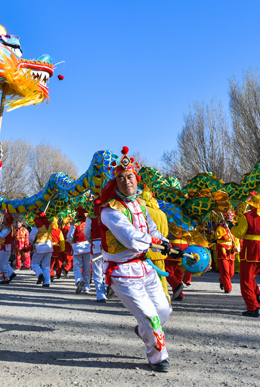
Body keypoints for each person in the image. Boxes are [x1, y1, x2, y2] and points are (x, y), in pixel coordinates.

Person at [99, 146, 178, 372]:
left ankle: (143, 330)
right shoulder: (110, 211)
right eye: (121, 178)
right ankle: (158, 358)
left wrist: (165, 241)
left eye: (130, 176)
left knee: (164, 311)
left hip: (145, 266)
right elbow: (131, 240)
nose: (127, 181)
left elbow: (152, 229)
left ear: (136, 179)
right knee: (150, 316)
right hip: (123, 271)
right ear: (115, 183)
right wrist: (156, 242)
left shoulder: (141, 204)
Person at [231, 192, 260, 317]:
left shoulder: (247, 216)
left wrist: (232, 226)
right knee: (250, 277)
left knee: (245, 280)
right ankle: (257, 295)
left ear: (253, 205)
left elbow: (239, 233)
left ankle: (253, 308)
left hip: (250, 252)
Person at [84, 200, 107, 302]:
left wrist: (91, 240)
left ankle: (101, 294)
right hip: (108, 244)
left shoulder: (90, 216)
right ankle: (109, 286)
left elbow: (86, 232)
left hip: (96, 244)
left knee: (97, 270)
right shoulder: (109, 212)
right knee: (107, 267)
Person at [68, 207, 92, 294]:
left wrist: (72, 242)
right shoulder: (89, 221)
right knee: (87, 267)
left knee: (77, 266)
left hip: (77, 247)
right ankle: (86, 286)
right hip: (88, 246)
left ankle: (79, 280)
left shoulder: (75, 223)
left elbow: (69, 236)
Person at [29, 211, 56, 287]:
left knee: (34, 264)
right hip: (49, 246)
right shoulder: (49, 223)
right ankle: (47, 282)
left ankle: (40, 274)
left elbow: (31, 237)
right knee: (46, 265)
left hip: (40, 246)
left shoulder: (37, 224)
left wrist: (31, 242)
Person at [214, 221, 238, 294]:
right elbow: (218, 236)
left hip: (231, 252)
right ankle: (228, 288)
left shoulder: (233, 229)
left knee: (231, 273)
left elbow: (236, 240)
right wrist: (225, 230)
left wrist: (237, 247)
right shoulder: (220, 228)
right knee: (225, 271)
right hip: (222, 251)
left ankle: (222, 280)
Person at [0, 213, 17, 284]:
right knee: (1, 262)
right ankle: (11, 273)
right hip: (3, 247)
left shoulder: (8, 228)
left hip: (5, 247)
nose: (3, 218)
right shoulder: (4, 226)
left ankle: (5, 278)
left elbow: (2, 235)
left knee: (3, 263)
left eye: (5, 218)